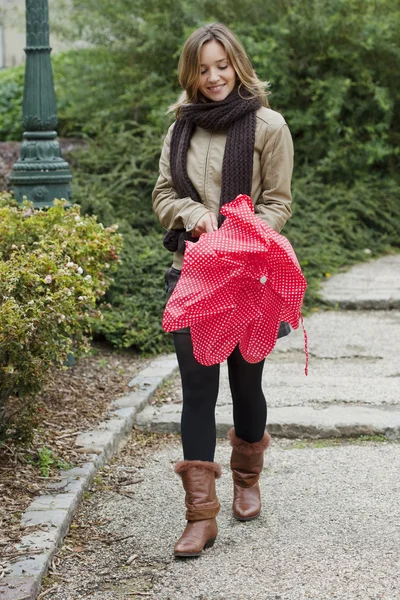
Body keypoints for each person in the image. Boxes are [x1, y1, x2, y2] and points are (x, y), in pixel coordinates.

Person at [152, 22, 294, 558]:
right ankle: (200, 517)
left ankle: (247, 473)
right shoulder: (179, 128)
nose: (214, 77)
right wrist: (194, 216)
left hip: (250, 278)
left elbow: (279, 203)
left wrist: (244, 230)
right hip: (193, 273)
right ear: (191, 73)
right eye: (203, 69)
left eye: (222, 65)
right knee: (196, 391)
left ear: (237, 63)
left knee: (247, 388)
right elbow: (164, 193)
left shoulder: (268, 126)